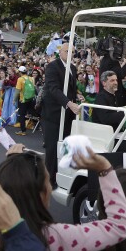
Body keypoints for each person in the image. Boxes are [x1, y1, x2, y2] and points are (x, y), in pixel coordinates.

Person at [41, 42, 79, 188]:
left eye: (73, 52)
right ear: (60, 52)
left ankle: (60, 176)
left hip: (68, 114)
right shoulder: (52, 66)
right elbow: (53, 88)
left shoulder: (73, 68)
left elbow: (71, 89)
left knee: (65, 147)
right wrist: (68, 103)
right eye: (67, 51)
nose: (71, 54)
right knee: (52, 148)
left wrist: (77, 98)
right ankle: (48, 181)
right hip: (53, 113)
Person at [14, 65, 36, 136]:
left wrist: (14, 99)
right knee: (33, 113)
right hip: (31, 99)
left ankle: (23, 130)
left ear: (20, 72)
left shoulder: (20, 79)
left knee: (22, 115)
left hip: (23, 99)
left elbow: (17, 91)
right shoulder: (31, 78)